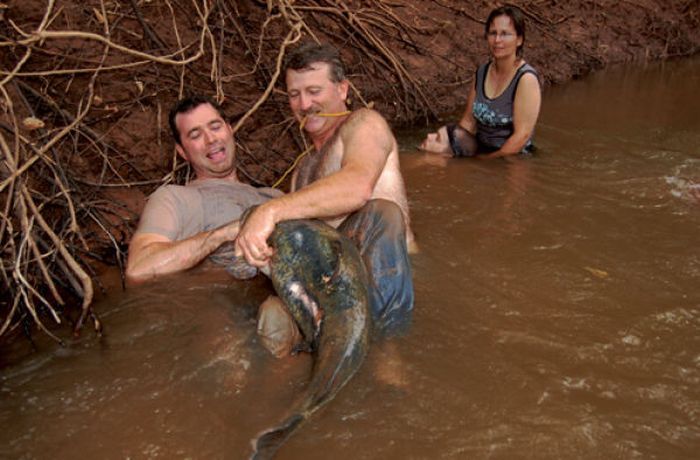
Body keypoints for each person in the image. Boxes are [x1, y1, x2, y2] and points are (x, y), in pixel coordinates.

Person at [235, 42, 416, 341]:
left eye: (314, 91)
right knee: (270, 316)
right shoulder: (302, 171)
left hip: (393, 283)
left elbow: (357, 187)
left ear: (342, 90)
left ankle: (388, 360)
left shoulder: (364, 124)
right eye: (295, 94)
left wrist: (269, 210)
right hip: (338, 291)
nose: (304, 104)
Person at [126, 95, 301, 356]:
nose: (211, 139)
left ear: (229, 130)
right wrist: (223, 234)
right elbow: (140, 269)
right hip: (219, 313)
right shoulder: (175, 198)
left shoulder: (274, 198)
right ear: (182, 152)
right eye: (195, 134)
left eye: (215, 127)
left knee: (276, 318)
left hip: (284, 303)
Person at [420, 5, 541, 158]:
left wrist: (486, 162)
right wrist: (454, 147)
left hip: (513, 159)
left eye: (505, 34)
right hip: (481, 152)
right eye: (493, 33)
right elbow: (468, 122)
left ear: (519, 39)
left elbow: (521, 137)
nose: (497, 40)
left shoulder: (526, 79)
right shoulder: (482, 73)